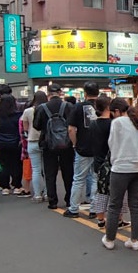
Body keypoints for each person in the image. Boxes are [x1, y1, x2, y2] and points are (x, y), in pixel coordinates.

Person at [104, 97, 138, 251]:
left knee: (115, 204)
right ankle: (135, 240)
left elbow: (112, 144)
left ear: (116, 111)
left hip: (121, 168)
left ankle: (109, 238)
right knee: (135, 204)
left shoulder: (117, 123)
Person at [33, 83, 74, 210]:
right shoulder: (68, 106)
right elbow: (73, 123)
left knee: (50, 173)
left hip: (48, 144)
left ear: (48, 94)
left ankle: (52, 201)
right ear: (60, 92)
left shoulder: (41, 107)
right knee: (68, 172)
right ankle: (69, 200)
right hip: (66, 144)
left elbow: (37, 125)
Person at [64, 82, 101, 218]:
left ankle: (74, 208)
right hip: (99, 148)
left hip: (83, 148)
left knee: (79, 178)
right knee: (96, 178)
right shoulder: (103, 106)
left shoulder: (78, 107)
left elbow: (71, 129)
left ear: (85, 93)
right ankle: (94, 209)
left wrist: (75, 144)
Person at [88, 94, 114, 226]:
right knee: (115, 193)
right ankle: (118, 219)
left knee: (101, 191)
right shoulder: (113, 124)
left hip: (98, 161)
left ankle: (100, 218)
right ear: (108, 106)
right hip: (111, 161)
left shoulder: (92, 124)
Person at [21, 91, 48, 203]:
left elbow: (25, 128)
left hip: (32, 141)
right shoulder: (47, 109)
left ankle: (37, 195)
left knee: (36, 170)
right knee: (46, 169)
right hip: (46, 141)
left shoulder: (27, 111)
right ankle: (47, 193)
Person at [0, 94, 24, 196]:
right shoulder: (19, 115)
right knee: (16, 164)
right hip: (16, 143)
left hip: (1, 143)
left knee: (3, 165)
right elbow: (21, 130)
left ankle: (5, 187)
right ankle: (17, 186)